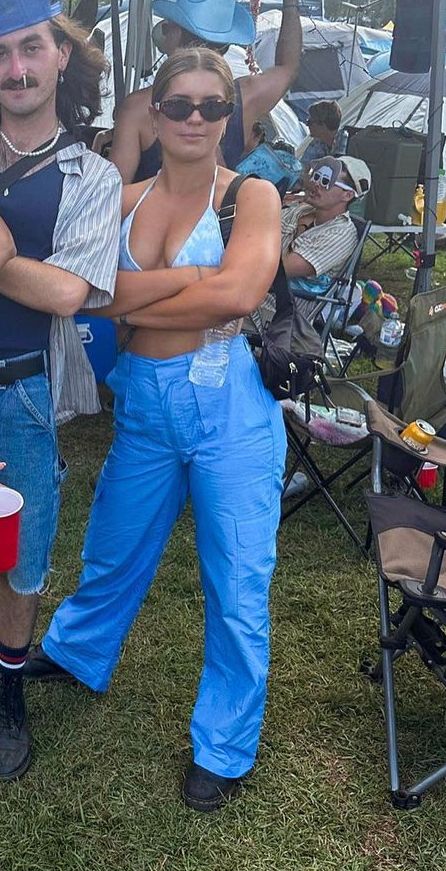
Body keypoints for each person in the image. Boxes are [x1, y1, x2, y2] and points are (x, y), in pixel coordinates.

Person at [25, 46, 287, 812]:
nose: (195, 119)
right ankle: (77, 649)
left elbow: (239, 293)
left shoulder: (253, 195)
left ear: (228, 116)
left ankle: (224, 745)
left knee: (237, 580)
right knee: (112, 543)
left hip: (229, 404)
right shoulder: (122, 197)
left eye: (212, 106)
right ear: (154, 111)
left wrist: (136, 298)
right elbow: (90, 296)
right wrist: (193, 281)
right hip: (143, 401)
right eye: (180, 105)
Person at [0, 0, 122, 781]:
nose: (14, 69)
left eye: (29, 49)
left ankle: (6, 693)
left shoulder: (94, 175)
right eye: (0, 53)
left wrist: (6, 261)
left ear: (60, 56)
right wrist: (22, 269)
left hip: (22, 390)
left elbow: (70, 293)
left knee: (20, 554)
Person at [107, 0, 302, 181]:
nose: (195, 120)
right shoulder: (246, 96)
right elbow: (288, 68)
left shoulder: (137, 108)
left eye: (168, 26)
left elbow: (115, 192)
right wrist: (291, 5)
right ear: (225, 45)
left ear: (176, 35)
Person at [281, 155, 371, 304]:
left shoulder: (341, 236)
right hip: (256, 290)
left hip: (281, 308)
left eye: (326, 181)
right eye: (316, 177)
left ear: (347, 195)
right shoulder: (301, 209)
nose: (316, 184)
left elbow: (282, 268)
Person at [295, 99, 342, 180]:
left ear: (322, 125)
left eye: (309, 122)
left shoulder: (346, 144)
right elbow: (302, 168)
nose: (307, 125)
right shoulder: (317, 143)